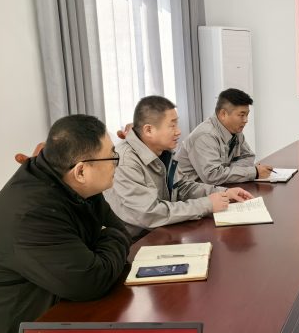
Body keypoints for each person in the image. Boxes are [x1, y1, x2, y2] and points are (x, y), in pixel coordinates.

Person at [0, 115, 131, 333]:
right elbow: (91, 281)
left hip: (59, 312)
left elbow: (118, 230)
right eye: (112, 156)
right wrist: (110, 237)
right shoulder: (31, 214)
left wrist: (108, 237)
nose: (116, 163)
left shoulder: (71, 181)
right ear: (81, 171)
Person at [105, 96, 253, 238]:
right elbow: (149, 213)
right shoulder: (125, 161)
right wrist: (206, 204)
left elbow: (182, 187)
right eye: (172, 125)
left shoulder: (163, 152)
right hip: (134, 242)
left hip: (162, 231)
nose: (178, 131)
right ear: (149, 130)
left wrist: (224, 193)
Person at [175, 88, 273, 184]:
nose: (246, 120)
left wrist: (228, 171)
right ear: (223, 114)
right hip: (191, 191)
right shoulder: (205, 136)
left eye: (247, 115)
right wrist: (254, 172)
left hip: (217, 187)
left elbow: (248, 157)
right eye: (241, 115)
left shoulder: (235, 131)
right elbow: (212, 176)